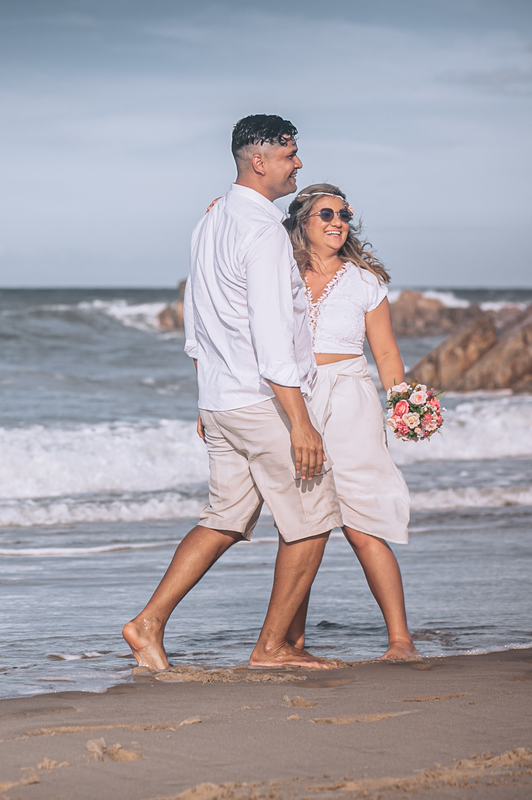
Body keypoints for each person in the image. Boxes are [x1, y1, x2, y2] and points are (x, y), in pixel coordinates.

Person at [122, 115, 342, 671]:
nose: (298, 163)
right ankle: (271, 648)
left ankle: (146, 625)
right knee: (312, 519)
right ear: (259, 161)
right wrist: (300, 422)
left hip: (222, 399)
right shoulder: (262, 230)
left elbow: (195, 315)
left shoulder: (211, 219)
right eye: (290, 155)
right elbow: (271, 333)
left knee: (224, 518)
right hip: (262, 401)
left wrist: (206, 393)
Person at [282, 184, 418, 660]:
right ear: (302, 221)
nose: (337, 221)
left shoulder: (364, 281)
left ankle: (400, 640)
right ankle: (291, 642)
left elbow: (386, 353)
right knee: (300, 525)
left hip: (350, 401)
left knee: (362, 524)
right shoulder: (280, 272)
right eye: (326, 214)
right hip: (294, 401)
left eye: (343, 215)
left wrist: (403, 405)